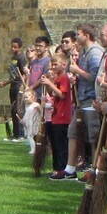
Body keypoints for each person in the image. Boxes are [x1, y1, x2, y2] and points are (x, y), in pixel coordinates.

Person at [66, 23, 104, 175]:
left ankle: (96, 170)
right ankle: (70, 168)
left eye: (78, 34)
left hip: (91, 100)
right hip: (82, 100)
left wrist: (78, 71)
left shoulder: (94, 53)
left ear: (87, 36)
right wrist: (76, 77)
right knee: (73, 132)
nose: (76, 37)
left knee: (94, 137)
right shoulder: (84, 52)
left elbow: (95, 78)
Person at [39, 43, 74, 179]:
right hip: (55, 115)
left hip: (62, 116)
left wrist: (50, 84)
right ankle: (56, 168)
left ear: (63, 65)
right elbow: (53, 93)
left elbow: (62, 94)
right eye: (52, 65)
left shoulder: (64, 78)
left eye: (55, 64)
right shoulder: (57, 78)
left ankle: (62, 169)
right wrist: (48, 83)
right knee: (55, 143)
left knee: (61, 144)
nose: (53, 67)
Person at [0, 37, 28, 141]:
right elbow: (13, 75)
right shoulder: (13, 58)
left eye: (15, 47)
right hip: (13, 85)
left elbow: (24, 74)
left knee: (18, 110)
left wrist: (22, 86)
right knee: (13, 109)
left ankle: (21, 134)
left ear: (20, 47)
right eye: (12, 47)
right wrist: (5, 83)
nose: (13, 49)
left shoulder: (21, 58)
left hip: (19, 85)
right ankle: (15, 134)